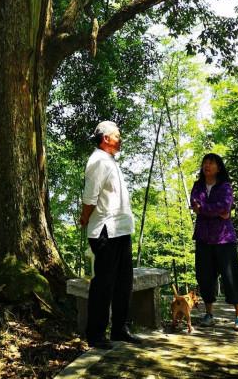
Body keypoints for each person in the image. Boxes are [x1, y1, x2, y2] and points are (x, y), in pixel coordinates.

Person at [79, 121, 141, 348]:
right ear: (105, 138)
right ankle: (95, 334)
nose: (120, 138)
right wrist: (85, 218)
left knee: (124, 283)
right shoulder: (97, 161)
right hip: (106, 230)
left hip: (122, 229)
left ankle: (119, 328)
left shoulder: (110, 161)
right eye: (117, 135)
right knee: (103, 284)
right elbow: (90, 197)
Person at [190, 153, 238, 331]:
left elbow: (225, 207)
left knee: (231, 277)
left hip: (224, 238)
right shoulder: (198, 185)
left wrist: (206, 209)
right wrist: (216, 211)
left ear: (218, 167)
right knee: (205, 276)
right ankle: (209, 314)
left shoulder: (225, 186)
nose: (207, 165)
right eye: (205, 162)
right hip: (203, 238)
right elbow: (196, 206)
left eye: (211, 163)